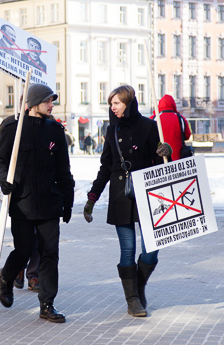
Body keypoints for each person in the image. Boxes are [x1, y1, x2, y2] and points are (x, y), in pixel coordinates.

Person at [83, 85, 171, 318]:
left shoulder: (150, 127)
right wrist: (92, 197)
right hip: (121, 194)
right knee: (128, 249)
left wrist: (167, 152)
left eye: (116, 103)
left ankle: (138, 285)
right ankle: (132, 299)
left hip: (148, 193)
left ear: (128, 103)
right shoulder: (111, 130)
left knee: (152, 249)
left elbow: (163, 164)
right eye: (111, 104)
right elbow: (105, 166)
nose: (112, 107)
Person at [0, 83, 75, 323]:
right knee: (23, 250)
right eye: (48, 101)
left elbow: (63, 171)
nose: (52, 105)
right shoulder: (12, 128)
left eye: (52, 101)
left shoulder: (55, 131)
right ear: (33, 103)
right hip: (22, 203)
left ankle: (47, 304)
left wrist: (67, 202)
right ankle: (6, 277)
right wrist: (3, 180)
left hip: (49, 203)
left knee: (50, 254)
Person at [151, 94, 191, 161]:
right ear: (173, 104)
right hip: (177, 159)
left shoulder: (154, 118)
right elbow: (187, 136)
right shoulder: (180, 118)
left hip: (159, 160)